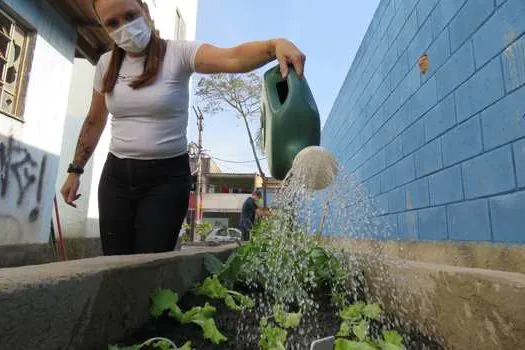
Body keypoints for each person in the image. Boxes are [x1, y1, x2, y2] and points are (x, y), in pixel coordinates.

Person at [60, 0, 306, 256]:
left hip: (165, 179)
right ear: (104, 26)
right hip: (116, 177)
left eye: (130, 15)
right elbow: (94, 119)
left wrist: (274, 45)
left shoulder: (177, 54)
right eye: (113, 23)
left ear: (144, 10)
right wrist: (75, 170)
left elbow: (231, 57)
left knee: (150, 263)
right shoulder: (106, 64)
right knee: (114, 260)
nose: (125, 27)